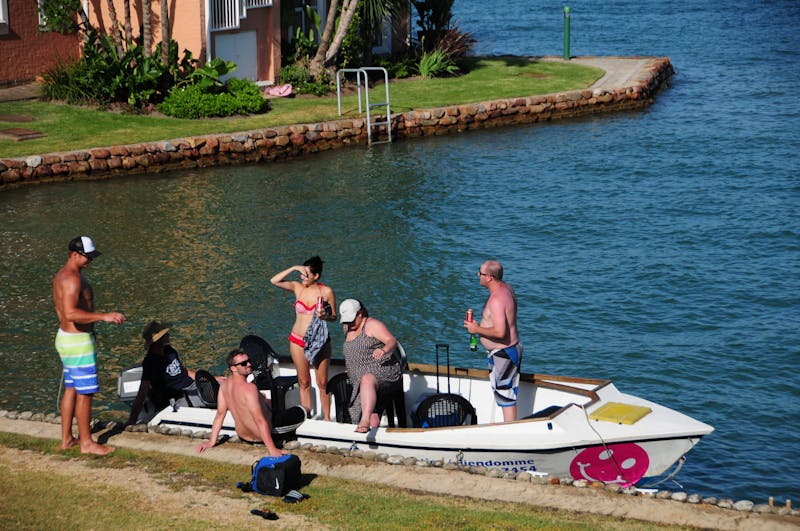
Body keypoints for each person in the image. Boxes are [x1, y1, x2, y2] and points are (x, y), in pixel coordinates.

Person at [52, 236, 126, 455]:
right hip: (78, 343)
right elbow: (70, 313)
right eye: (87, 257)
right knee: (86, 393)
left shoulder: (61, 275)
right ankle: (87, 443)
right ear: (74, 254)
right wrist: (104, 316)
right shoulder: (72, 279)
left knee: (72, 388)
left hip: (66, 339)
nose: (90, 261)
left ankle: (67, 439)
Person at [195, 349, 303, 456]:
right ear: (233, 368)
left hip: (243, 436)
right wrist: (272, 449)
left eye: (249, 361)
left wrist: (211, 442)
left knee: (265, 401)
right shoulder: (250, 389)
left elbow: (220, 414)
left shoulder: (224, 385)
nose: (249, 364)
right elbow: (260, 420)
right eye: (243, 363)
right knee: (302, 410)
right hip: (263, 435)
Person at [270, 256, 336, 420]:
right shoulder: (298, 288)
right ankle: (306, 416)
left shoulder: (326, 291)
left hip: (319, 342)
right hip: (297, 341)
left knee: (322, 383)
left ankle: (327, 419)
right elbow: (274, 280)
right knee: (304, 382)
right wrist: (294, 267)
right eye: (301, 273)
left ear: (316, 276)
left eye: (306, 274)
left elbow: (334, 316)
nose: (302, 276)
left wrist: (324, 315)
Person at [463, 260, 522, 422]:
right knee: (505, 393)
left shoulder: (497, 299)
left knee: (506, 397)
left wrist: (476, 330)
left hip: (504, 353)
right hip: (506, 350)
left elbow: (500, 332)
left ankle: (510, 433)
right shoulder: (507, 289)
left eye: (480, 273)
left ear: (489, 277)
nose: (478, 276)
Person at [125, 321, 210, 426]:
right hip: (178, 396)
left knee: (222, 386)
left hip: (191, 386)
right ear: (158, 340)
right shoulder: (150, 363)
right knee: (216, 396)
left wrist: (210, 379)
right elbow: (143, 391)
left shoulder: (170, 351)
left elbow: (184, 371)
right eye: (165, 335)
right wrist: (132, 420)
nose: (168, 335)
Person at [339, 299, 402, 433]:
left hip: (382, 370)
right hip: (358, 376)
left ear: (360, 313)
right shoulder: (347, 327)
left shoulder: (372, 325)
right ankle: (370, 432)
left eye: (351, 320)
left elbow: (392, 341)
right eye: (346, 321)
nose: (349, 324)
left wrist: (383, 350)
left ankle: (365, 420)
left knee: (367, 379)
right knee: (364, 384)